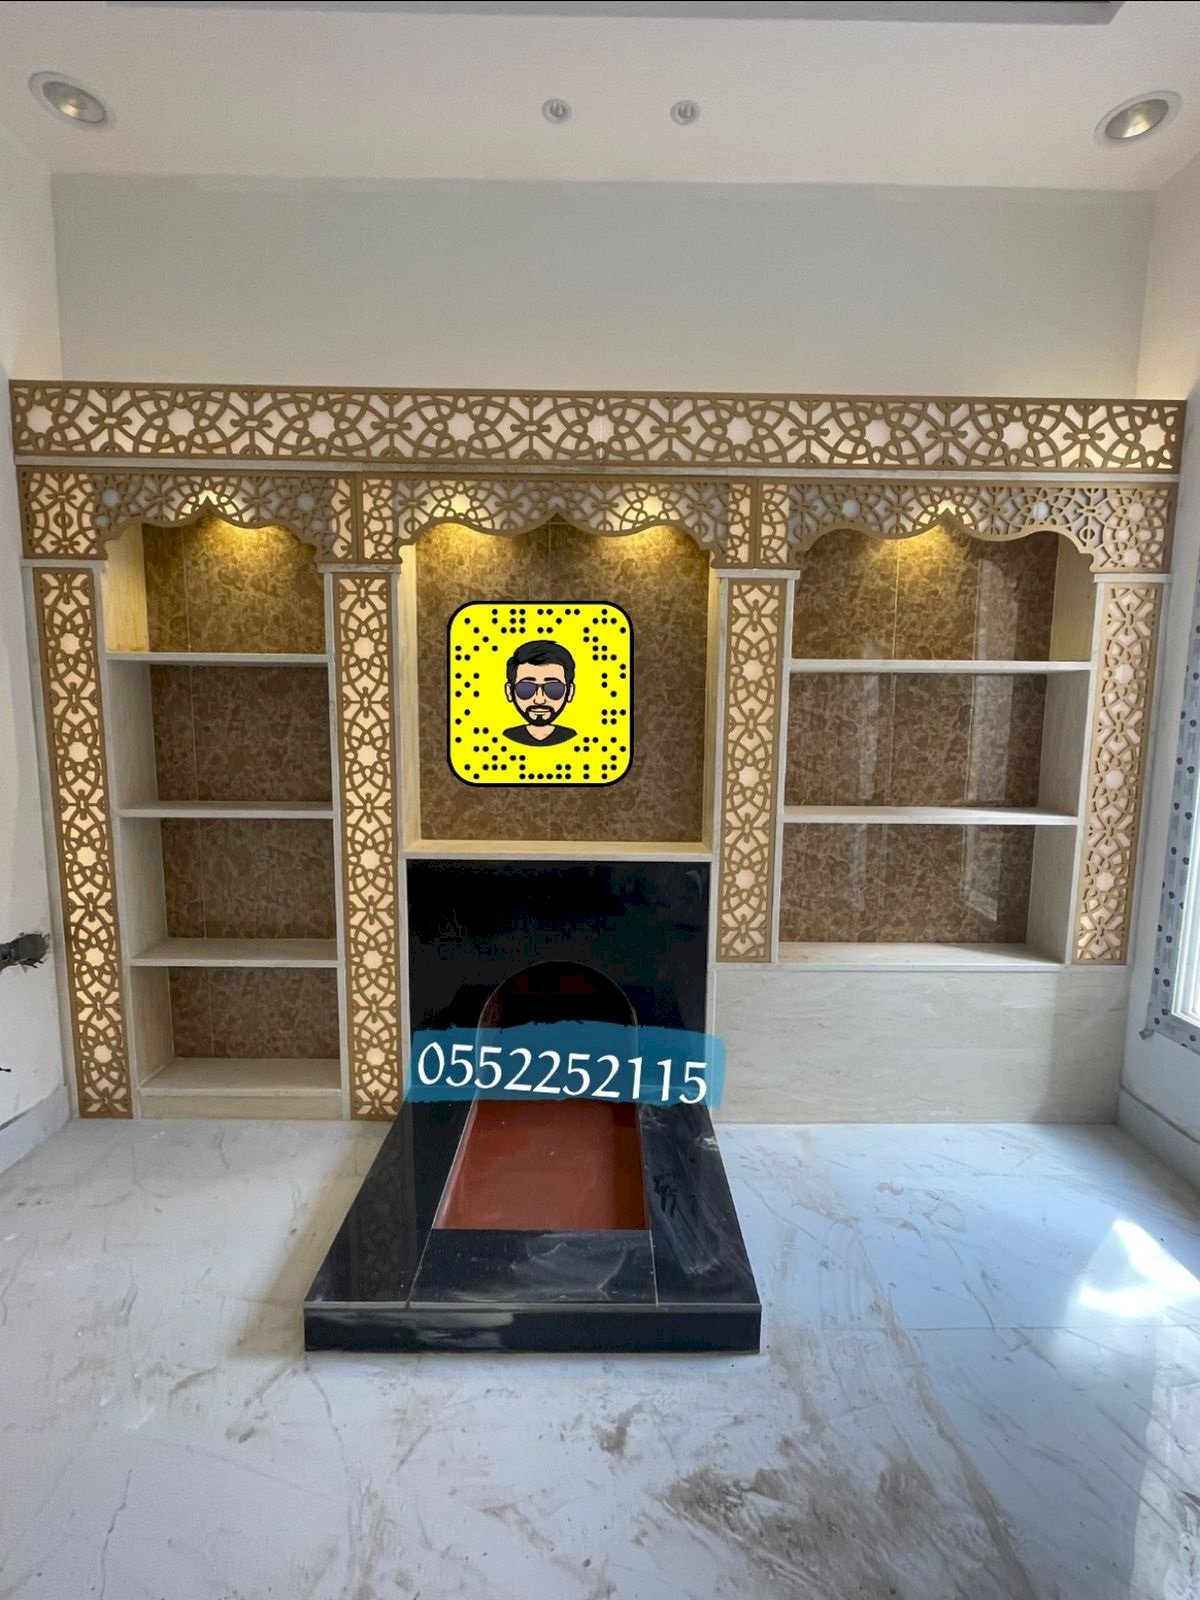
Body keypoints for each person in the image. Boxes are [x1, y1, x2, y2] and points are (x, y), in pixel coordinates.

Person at [503, 638, 577, 747]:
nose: (539, 700)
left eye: (553, 689)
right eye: (526, 689)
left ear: (570, 692)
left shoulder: (574, 738)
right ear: (509, 691)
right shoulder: (505, 738)